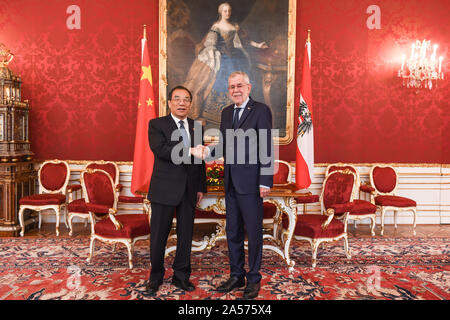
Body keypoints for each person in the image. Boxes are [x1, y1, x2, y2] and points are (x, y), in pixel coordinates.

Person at [204, 71, 274, 299]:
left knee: (253, 233)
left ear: (249, 87)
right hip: (231, 182)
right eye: (232, 86)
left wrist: (265, 179)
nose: (235, 90)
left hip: (253, 183)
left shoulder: (261, 110)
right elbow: (224, 145)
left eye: (240, 85)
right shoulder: (226, 113)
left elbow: (266, 146)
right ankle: (237, 275)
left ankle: (253, 278)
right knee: (232, 231)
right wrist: (205, 153)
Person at [146, 85, 207, 295]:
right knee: (159, 236)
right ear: (170, 102)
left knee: (185, 236)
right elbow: (161, 150)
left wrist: (200, 187)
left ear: (191, 103)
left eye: (186, 99)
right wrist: (189, 150)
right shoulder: (157, 124)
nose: (182, 103)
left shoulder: (196, 126)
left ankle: (181, 276)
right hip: (164, 188)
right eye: (178, 99)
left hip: (189, 190)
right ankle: (155, 276)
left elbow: (200, 161)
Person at [183, 2, 267, 122]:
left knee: (242, 79)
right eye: (225, 11)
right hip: (221, 57)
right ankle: (216, 112)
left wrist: (258, 45)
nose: (227, 13)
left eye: (229, 11)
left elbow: (245, 41)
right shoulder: (216, 27)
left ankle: (240, 111)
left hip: (236, 57)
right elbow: (211, 44)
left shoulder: (235, 26)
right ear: (220, 12)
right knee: (221, 78)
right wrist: (212, 54)